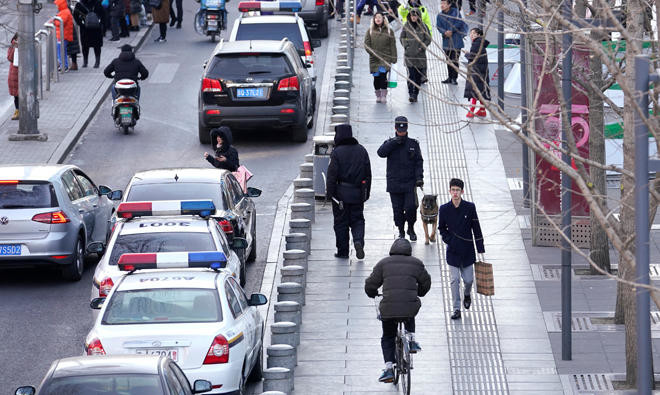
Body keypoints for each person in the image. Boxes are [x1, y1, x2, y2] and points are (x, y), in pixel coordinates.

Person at [365, 238, 431, 383]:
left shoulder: (383, 263)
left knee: (388, 336)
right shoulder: (416, 263)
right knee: (410, 305)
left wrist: (372, 293)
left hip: (388, 308)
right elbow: (426, 282)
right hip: (409, 307)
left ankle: (389, 369)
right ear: (409, 251)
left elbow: (370, 283)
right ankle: (411, 339)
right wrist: (419, 292)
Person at [438, 178, 485, 320]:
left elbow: (476, 227)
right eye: (453, 190)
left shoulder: (470, 207)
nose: (455, 193)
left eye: (458, 190)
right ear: (449, 191)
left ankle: (466, 295)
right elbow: (441, 228)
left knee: (469, 280)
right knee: (454, 280)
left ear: (462, 191)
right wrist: (449, 240)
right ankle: (456, 308)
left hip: (467, 250)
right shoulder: (444, 209)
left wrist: (480, 247)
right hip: (453, 251)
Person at [325, 124, 372, 260]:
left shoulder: (337, 152)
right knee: (358, 220)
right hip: (357, 193)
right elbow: (368, 174)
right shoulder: (361, 150)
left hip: (340, 196)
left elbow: (331, 175)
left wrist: (330, 194)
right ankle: (358, 241)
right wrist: (365, 194)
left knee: (341, 223)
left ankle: (343, 251)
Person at [377, 116, 424, 240]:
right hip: (394, 183)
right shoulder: (390, 143)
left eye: (403, 129)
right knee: (397, 210)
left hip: (409, 183)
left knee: (410, 208)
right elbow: (380, 153)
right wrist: (393, 142)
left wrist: (419, 177)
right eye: (399, 129)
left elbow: (419, 162)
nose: (401, 132)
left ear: (407, 128)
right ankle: (401, 230)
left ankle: (411, 228)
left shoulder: (413, 144)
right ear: (395, 128)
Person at [364, 12, 397, 103]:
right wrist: (373, 53)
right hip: (374, 59)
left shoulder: (389, 31)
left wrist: (394, 58)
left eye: (379, 17)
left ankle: (383, 95)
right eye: (376, 18)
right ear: (374, 19)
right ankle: (378, 95)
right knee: (376, 78)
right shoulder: (370, 31)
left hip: (385, 58)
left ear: (383, 19)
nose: (377, 19)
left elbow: (392, 45)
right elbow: (366, 45)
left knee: (383, 77)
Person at [399, 8, 431, 103]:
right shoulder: (406, 25)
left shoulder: (423, 27)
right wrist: (407, 46)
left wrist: (422, 47)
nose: (413, 17)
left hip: (420, 56)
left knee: (418, 77)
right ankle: (411, 94)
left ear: (419, 16)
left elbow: (428, 39)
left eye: (415, 15)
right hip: (409, 55)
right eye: (412, 15)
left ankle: (415, 94)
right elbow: (402, 37)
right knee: (411, 75)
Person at [436, 0, 467, 85]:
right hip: (446, 40)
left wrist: (451, 30)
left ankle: (454, 78)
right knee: (448, 60)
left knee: (455, 60)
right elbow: (438, 26)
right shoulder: (440, 15)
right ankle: (449, 77)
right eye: (441, 3)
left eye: (444, 3)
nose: (442, 5)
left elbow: (460, 22)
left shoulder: (456, 12)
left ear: (449, 5)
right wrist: (445, 32)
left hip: (456, 40)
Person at [464, 27, 490, 118]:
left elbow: (473, 57)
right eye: (471, 33)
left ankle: (471, 111)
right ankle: (482, 110)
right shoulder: (480, 43)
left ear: (479, 35)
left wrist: (466, 54)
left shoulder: (476, 44)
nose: (471, 35)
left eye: (474, 34)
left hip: (476, 71)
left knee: (473, 91)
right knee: (480, 91)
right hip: (482, 71)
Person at [74, 0, 105, 68]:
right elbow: (103, 14)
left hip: (85, 29)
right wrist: (100, 24)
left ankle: (85, 62)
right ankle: (97, 62)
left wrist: (81, 24)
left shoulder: (79, 4)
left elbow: (75, 16)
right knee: (97, 46)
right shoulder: (97, 2)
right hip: (96, 29)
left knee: (85, 46)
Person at [54, 0, 75, 71]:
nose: (56, 6)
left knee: (60, 50)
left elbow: (59, 22)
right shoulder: (64, 11)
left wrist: (54, 21)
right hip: (63, 35)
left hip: (63, 35)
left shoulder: (64, 12)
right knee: (62, 50)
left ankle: (63, 65)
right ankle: (64, 65)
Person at [7, 34, 19, 121]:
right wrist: (15, 48)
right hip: (14, 73)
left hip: (22, 74)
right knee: (16, 95)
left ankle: (20, 110)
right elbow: (10, 58)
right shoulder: (13, 46)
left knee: (22, 94)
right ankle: (18, 110)